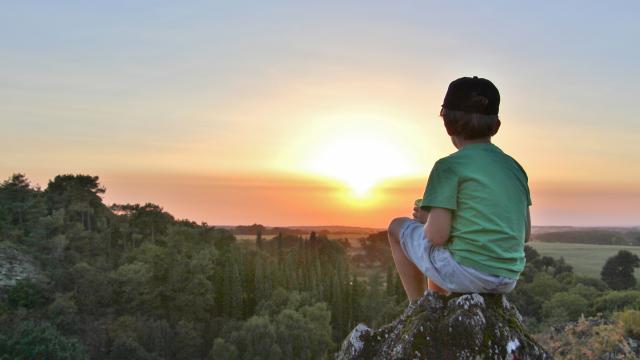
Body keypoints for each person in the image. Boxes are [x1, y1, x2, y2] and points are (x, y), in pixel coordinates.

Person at [387, 76, 531, 301]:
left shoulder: (448, 167)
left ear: (447, 125)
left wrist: (427, 218)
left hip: (467, 273)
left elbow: (436, 236)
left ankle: (418, 307)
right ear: (496, 125)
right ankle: (439, 301)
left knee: (397, 227)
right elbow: (526, 233)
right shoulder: (515, 168)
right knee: (444, 254)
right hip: (506, 277)